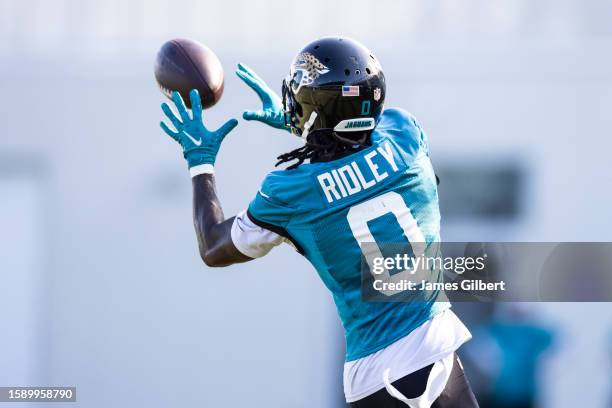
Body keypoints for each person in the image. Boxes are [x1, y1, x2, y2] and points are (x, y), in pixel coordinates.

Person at [159, 36, 478, 407]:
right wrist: (314, 130)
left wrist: (200, 161)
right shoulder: (405, 132)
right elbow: (371, 165)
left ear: (315, 109)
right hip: (438, 344)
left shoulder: (292, 190)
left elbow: (214, 247)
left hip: (379, 373)